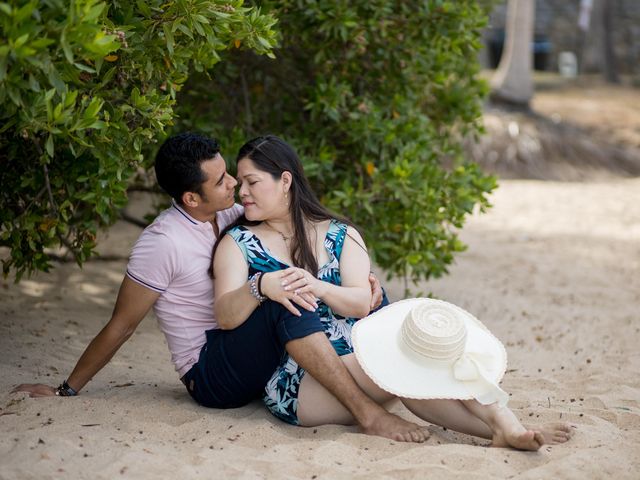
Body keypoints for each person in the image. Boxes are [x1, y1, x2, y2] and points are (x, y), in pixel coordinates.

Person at [12, 132, 427, 443]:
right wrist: (67, 388)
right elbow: (121, 326)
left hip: (249, 346)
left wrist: (361, 289)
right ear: (192, 199)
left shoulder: (231, 213)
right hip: (211, 371)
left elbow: (287, 226)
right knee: (278, 297)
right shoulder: (162, 244)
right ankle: (367, 414)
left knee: (293, 290)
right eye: (221, 180)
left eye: (230, 172)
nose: (233, 185)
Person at [213, 135, 574, 450]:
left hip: (361, 359)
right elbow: (226, 317)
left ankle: (501, 429)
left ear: (285, 181)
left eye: (251, 181)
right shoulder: (238, 243)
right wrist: (260, 287)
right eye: (240, 183)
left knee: (421, 356)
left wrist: (318, 286)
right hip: (301, 383)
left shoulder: (339, 234)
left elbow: (359, 303)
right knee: (408, 362)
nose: (241, 192)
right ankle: (504, 425)